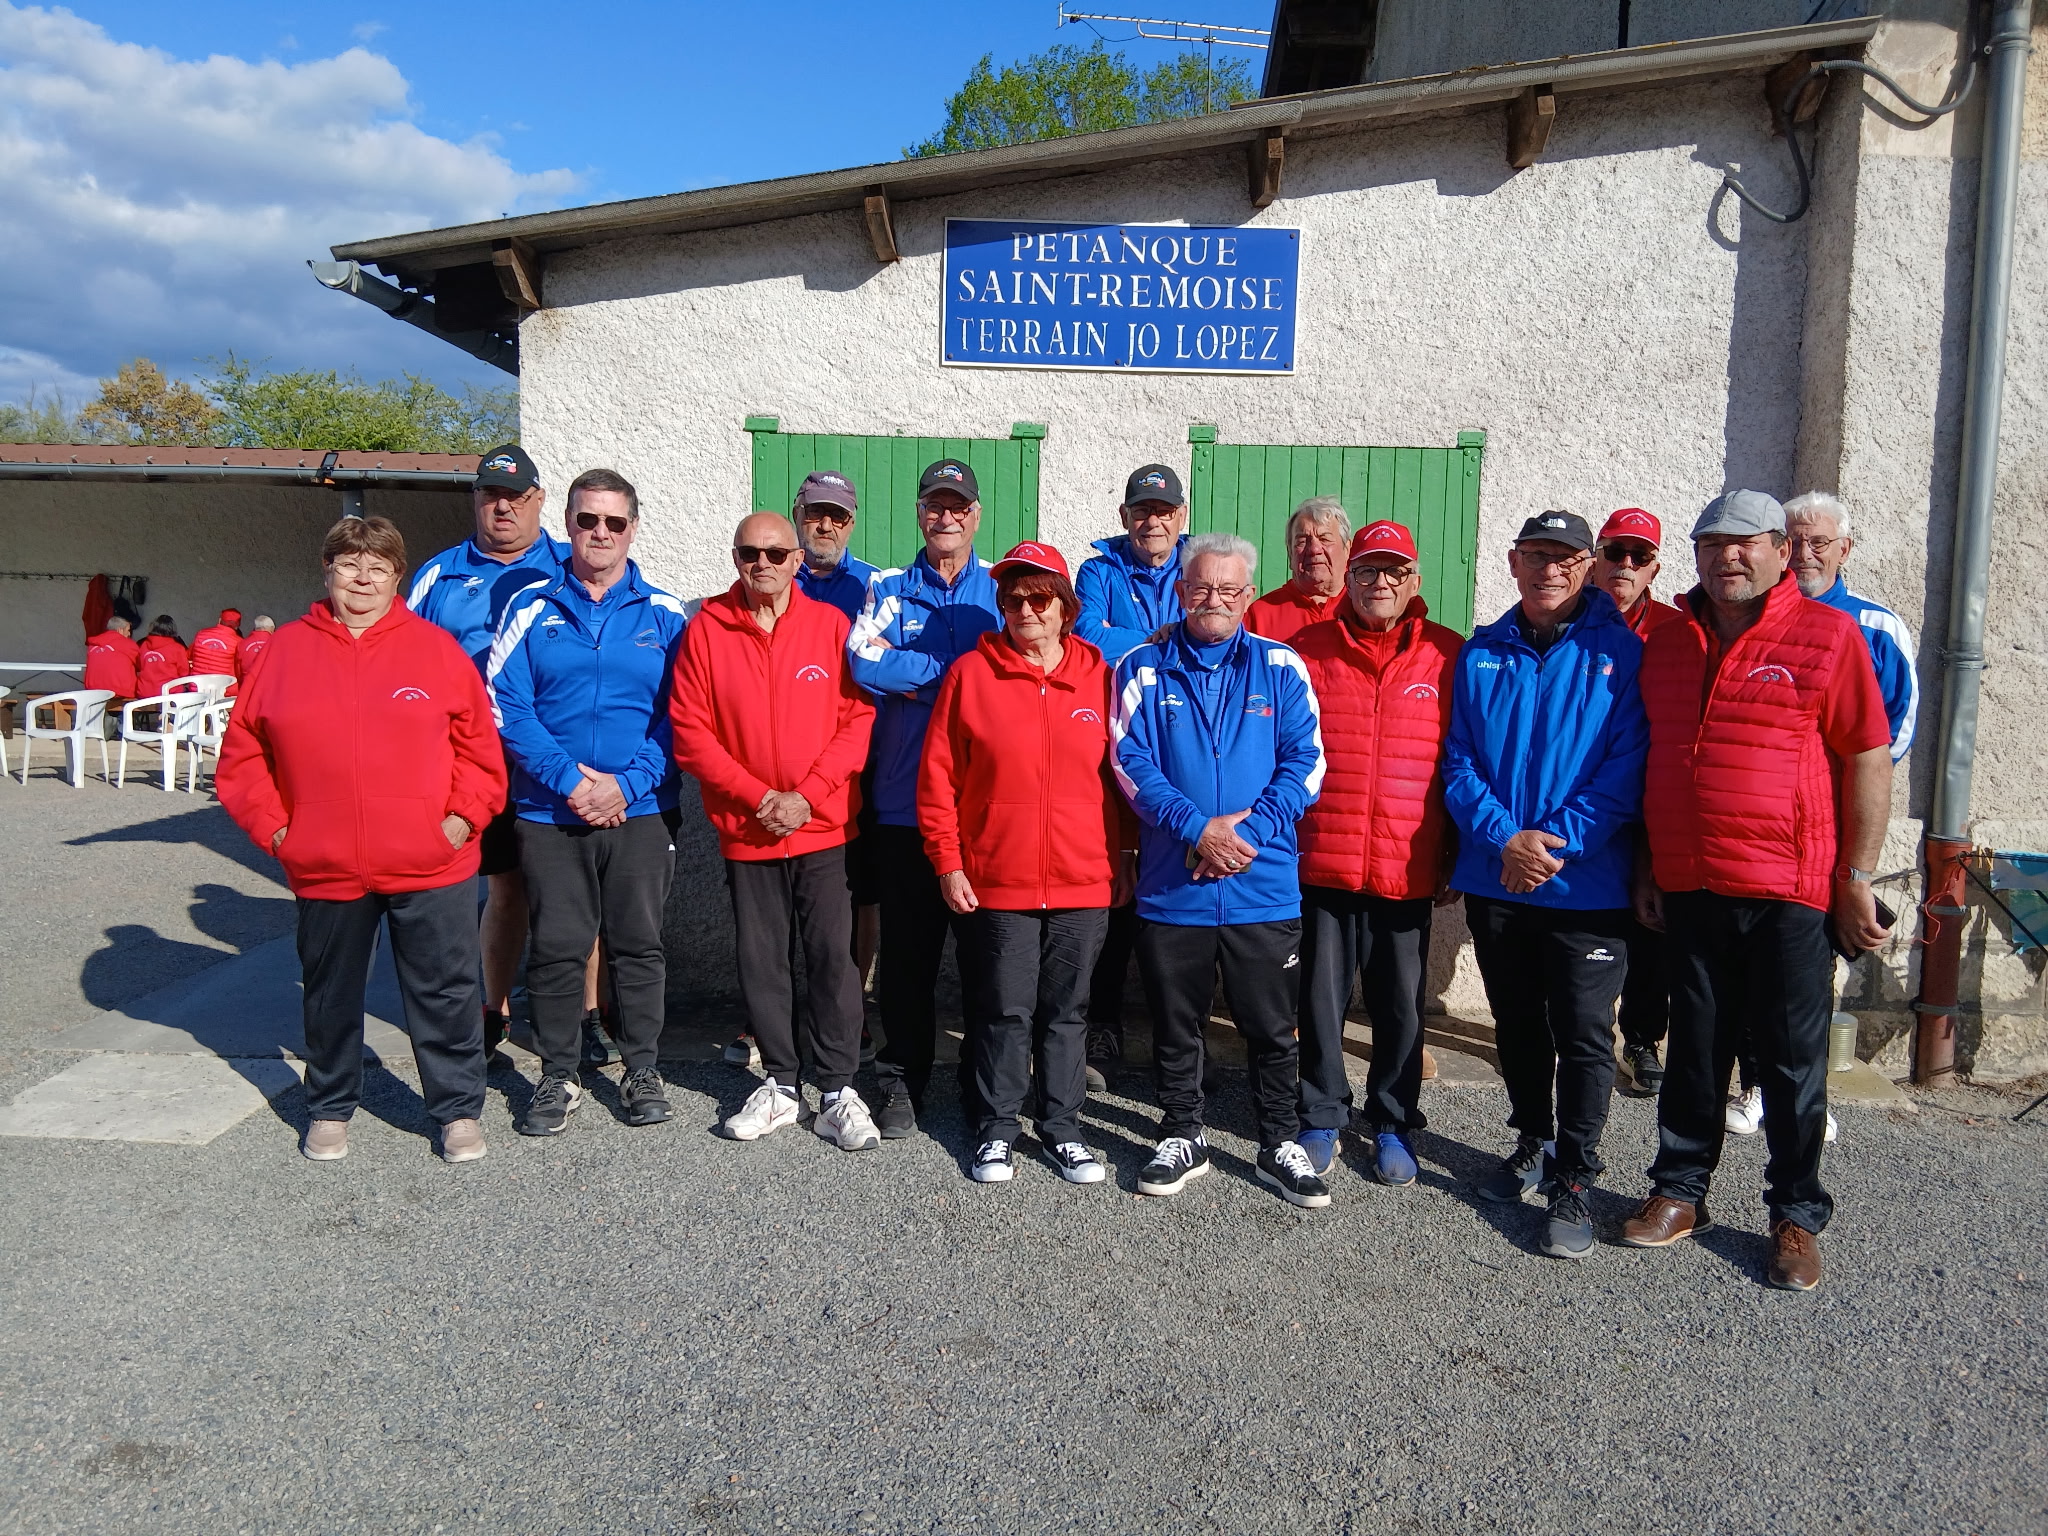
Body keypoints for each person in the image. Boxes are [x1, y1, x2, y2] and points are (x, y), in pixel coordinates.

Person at [1622, 490, 1894, 1292]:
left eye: (1744, 544)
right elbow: (1653, 760)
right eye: (1711, 545)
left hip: (1790, 887)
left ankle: (1796, 1215)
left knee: (1789, 1059)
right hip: (1692, 880)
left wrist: (1855, 877)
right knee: (1695, 1050)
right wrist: (1647, 865)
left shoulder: (1828, 635)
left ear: (1781, 551)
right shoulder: (1669, 643)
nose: (1726, 558)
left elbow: (1868, 758)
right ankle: (1680, 1191)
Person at [215, 516, 506, 1164]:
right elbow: (242, 758)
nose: (364, 578)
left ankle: (456, 1110)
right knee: (329, 994)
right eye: (349, 564)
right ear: (327, 571)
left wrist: (457, 822)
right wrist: (280, 831)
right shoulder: (283, 653)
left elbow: (481, 754)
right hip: (326, 865)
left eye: (378, 566)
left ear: (398, 577)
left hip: (432, 863)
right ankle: (330, 1106)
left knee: (445, 992)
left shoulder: (435, 650)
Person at [1443, 510, 1648, 1261]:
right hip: (1499, 877)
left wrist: (1552, 845)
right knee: (1518, 1025)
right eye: (1536, 556)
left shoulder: (1622, 654)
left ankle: (1577, 1176)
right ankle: (1532, 1140)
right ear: (1513, 561)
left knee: (1586, 1037)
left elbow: (1624, 769)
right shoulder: (1481, 653)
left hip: (1583, 885)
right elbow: (1458, 760)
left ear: (1589, 565)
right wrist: (1505, 838)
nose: (1550, 570)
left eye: (1565, 558)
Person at [1111, 532, 1330, 1208]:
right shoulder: (1141, 666)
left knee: (1270, 1027)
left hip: (1261, 886)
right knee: (1178, 1024)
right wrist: (1197, 829)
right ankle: (1182, 1133)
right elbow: (1128, 760)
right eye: (1202, 587)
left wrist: (1248, 833)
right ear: (1180, 590)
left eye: (1229, 590)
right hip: (1174, 887)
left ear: (1248, 597)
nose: (1215, 600)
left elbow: (1308, 763)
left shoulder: (1281, 666)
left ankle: (1278, 1142)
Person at [919, 541, 1134, 1186]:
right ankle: (998, 1126)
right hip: (998, 877)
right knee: (1004, 1008)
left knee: (1068, 1010)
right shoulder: (969, 676)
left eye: (1039, 598)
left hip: (1081, 875)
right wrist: (948, 862)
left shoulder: (1100, 677)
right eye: (1011, 598)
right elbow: (938, 779)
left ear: (1065, 607)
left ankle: (1063, 1126)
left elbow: (1123, 777)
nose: (1025, 609)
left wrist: (1124, 856)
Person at [487, 468, 689, 1137]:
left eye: (614, 522)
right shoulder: (528, 608)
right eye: (586, 520)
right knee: (557, 947)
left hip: (640, 811)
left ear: (633, 528)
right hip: (551, 812)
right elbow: (506, 707)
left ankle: (641, 1068)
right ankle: (558, 1074)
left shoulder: (664, 613)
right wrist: (572, 781)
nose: (599, 533)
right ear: (567, 523)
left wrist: (625, 786)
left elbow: (681, 716)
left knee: (638, 945)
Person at [670, 512, 879, 1150]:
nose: (762, 564)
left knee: (832, 959)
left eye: (775, 553)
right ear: (735, 558)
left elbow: (858, 717)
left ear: (796, 560)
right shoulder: (705, 629)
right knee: (762, 959)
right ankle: (782, 1084)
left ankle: (839, 1087)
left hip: (822, 827)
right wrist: (761, 796)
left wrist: (807, 797)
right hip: (749, 826)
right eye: (749, 553)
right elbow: (691, 730)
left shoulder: (829, 625)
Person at [408, 445, 594, 1069]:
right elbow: (399, 661)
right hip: (471, 766)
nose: (504, 507)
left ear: (541, 500)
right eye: (492, 495)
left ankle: (586, 1016)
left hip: (554, 760)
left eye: (517, 497)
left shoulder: (575, 565)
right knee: (504, 888)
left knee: (576, 895)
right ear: (477, 500)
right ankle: (493, 1010)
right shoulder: (439, 576)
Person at [1290, 521, 1462, 1188]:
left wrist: (1455, 850)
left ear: (1414, 582)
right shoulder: (1306, 649)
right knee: (1321, 1001)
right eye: (1367, 571)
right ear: (1347, 578)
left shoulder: (1448, 655)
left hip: (1406, 862)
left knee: (1398, 1004)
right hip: (1324, 857)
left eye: (1393, 571)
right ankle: (1322, 1116)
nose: (1380, 583)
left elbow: (1461, 762)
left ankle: (1392, 1120)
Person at [847, 458, 1001, 1138]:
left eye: (958, 506)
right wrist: (955, 676)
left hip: (985, 812)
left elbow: (1022, 668)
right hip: (903, 805)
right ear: (919, 513)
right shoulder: (886, 586)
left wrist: (911, 677)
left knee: (984, 959)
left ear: (975, 514)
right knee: (907, 959)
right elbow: (861, 659)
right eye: (934, 505)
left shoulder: (1001, 590)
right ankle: (901, 1080)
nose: (946, 517)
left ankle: (980, 1085)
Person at [1074, 464, 1190, 1086]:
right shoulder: (1097, 570)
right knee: (1117, 888)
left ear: (1181, 517)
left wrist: (1146, 641)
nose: (1153, 521)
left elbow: (1214, 630)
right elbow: (1088, 634)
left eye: (1164, 511)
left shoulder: (1197, 566)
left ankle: (1182, 1034)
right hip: (1114, 742)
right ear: (1124, 517)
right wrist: (1159, 637)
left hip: (1181, 745)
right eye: (1142, 511)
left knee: (1176, 890)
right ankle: (1104, 1019)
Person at [1590, 508, 1682, 1099]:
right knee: (1587, 926)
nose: (1625, 565)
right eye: (1615, 552)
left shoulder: (1676, 632)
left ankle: (1644, 1036)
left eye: (1639, 556)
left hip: (1652, 800)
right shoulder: (1568, 618)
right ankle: (1580, 1032)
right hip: (1586, 797)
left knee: (1652, 927)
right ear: (1596, 556)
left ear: (1654, 567)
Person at [1246, 496, 1350, 642]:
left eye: (1324, 539)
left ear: (1347, 549)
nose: (1314, 549)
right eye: (1302, 541)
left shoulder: (1365, 610)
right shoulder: (1260, 617)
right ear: (1290, 553)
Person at [84, 614, 140, 703]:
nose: (129, 634)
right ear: (120, 630)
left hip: (93, 690)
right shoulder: (128, 644)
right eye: (128, 630)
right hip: (120, 690)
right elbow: (141, 664)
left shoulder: (93, 645)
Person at [135, 616, 188, 698]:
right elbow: (184, 673)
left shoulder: (143, 646)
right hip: (169, 693)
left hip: (144, 694)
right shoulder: (177, 648)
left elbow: (139, 666)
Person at [188, 608, 244, 681]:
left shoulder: (201, 634)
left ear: (219, 620)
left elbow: (189, 656)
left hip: (197, 688)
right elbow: (241, 670)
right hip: (225, 689)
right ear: (238, 625)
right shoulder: (239, 642)